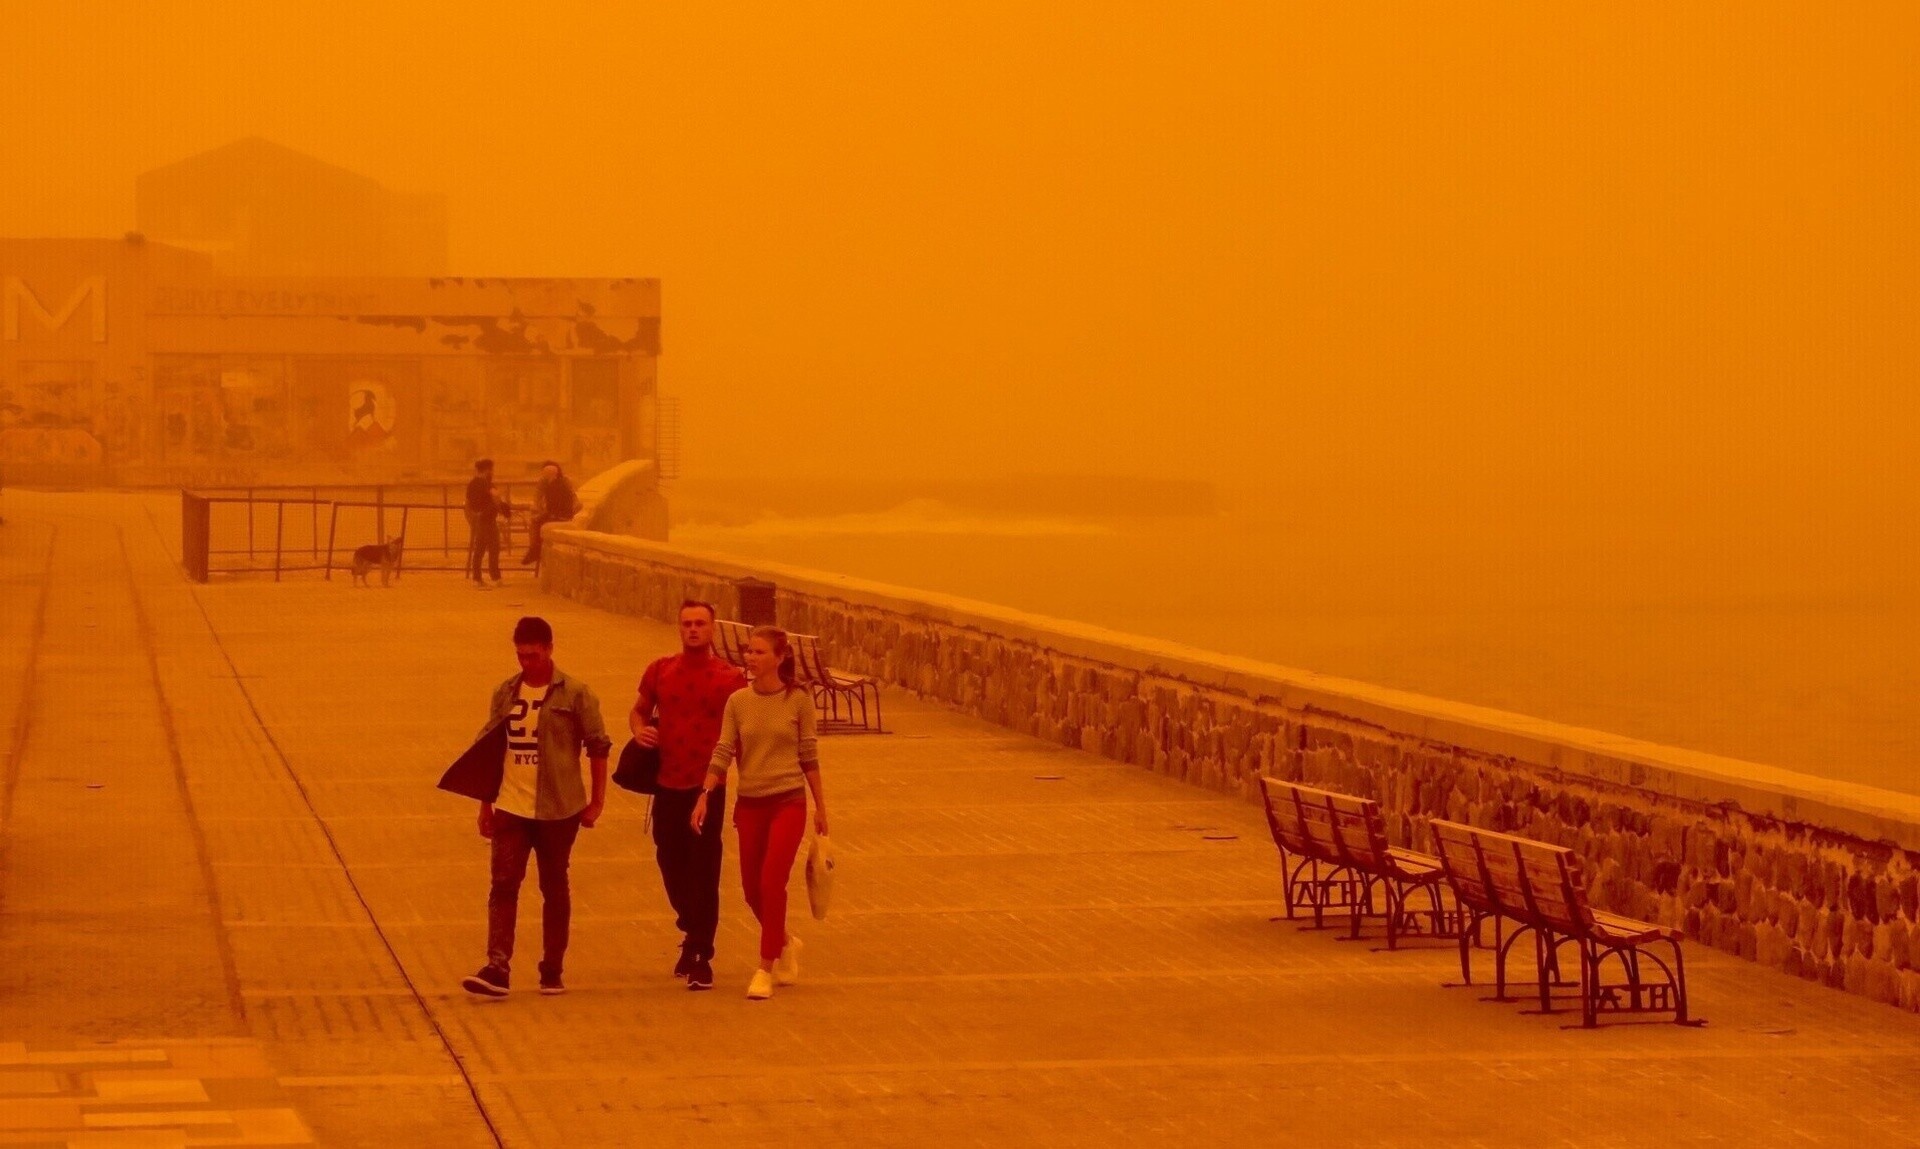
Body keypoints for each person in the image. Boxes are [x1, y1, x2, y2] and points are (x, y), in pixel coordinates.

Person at [462, 616, 612, 999]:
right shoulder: (504, 693)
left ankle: (552, 968)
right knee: (503, 884)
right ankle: (497, 967)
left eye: (532, 655)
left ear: (548, 649)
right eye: (520, 655)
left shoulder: (576, 694)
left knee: (554, 885)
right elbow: (490, 749)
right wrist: (485, 805)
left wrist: (597, 802)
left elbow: (598, 747)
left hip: (559, 808)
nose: (526, 662)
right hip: (511, 805)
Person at [694, 626, 828, 1000]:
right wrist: (705, 792)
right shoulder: (738, 701)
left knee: (772, 883)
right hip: (750, 803)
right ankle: (785, 941)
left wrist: (821, 806)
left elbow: (809, 754)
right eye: (748, 651)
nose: (750, 658)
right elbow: (723, 749)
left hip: (788, 801)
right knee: (752, 890)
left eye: (759, 652)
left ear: (779, 657)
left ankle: (765, 967)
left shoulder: (798, 699)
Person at [631, 601, 748, 990]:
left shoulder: (730, 678)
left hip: (708, 786)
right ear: (679, 629)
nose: (693, 629)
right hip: (667, 784)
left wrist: (746, 785)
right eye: (687, 624)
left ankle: (701, 953)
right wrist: (639, 731)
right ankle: (691, 925)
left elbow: (742, 734)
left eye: (700, 624)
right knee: (669, 860)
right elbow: (639, 711)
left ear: (712, 629)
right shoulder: (660, 670)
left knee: (704, 869)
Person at [522, 461, 577, 566]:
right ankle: (534, 549)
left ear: (547, 475)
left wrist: (539, 515)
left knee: (535, 522)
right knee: (538, 520)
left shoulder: (553, 487)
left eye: (544, 475)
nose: (542, 477)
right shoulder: (563, 483)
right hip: (566, 516)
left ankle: (534, 549)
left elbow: (551, 510)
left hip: (558, 517)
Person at [465, 458, 503, 587]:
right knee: (494, 548)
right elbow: (495, 496)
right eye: (492, 470)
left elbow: (468, 503)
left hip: (477, 519)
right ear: (488, 470)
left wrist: (472, 517)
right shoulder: (486, 483)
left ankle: (477, 578)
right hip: (488, 520)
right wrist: (499, 503)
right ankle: (495, 578)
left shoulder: (472, 483)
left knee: (479, 550)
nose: (493, 472)